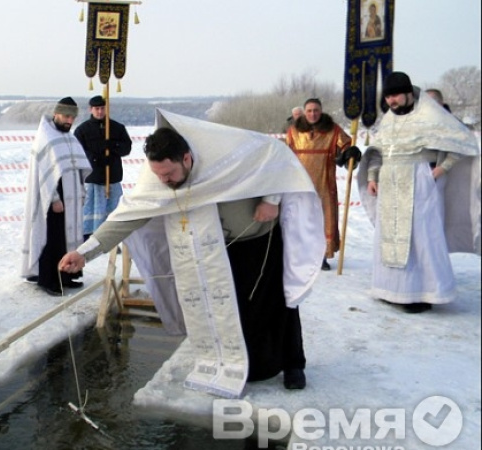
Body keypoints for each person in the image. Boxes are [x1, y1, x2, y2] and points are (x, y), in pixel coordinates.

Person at [59, 110, 325, 396]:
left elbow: (277, 155)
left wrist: (272, 199)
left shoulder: (226, 150)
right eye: (158, 175)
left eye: (170, 174)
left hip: (261, 237)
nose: (164, 181)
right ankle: (250, 365)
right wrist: (85, 253)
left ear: (186, 158)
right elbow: (127, 216)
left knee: (278, 300)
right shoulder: (158, 175)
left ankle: (294, 363)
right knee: (237, 309)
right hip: (219, 249)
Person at [357, 72, 480, 313]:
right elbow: (377, 152)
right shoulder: (388, 119)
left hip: (418, 182)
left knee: (420, 237)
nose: (391, 101)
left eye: (395, 95)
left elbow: (462, 142)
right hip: (390, 184)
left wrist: (442, 168)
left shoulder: (430, 114)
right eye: (388, 96)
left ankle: (422, 293)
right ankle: (390, 289)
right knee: (389, 236)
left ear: (408, 93)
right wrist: (372, 176)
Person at [21, 97, 92, 296]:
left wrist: (81, 191)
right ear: (56, 114)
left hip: (72, 197)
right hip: (53, 200)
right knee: (51, 238)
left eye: (72, 117)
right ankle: (47, 279)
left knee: (67, 238)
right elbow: (44, 174)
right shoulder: (46, 137)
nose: (69, 121)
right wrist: (54, 199)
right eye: (66, 116)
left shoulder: (69, 137)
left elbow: (78, 167)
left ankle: (66, 276)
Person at [286, 98, 360, 271]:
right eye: (310, 110)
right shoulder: (293, 132)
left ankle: (321, 256)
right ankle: (302, 255)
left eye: (316, 110)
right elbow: (286, 155)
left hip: (325, 184)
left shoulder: (332, 130)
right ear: (305, 112)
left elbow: (346, 146)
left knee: (323, 220)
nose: (313, 114)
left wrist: (350, 152)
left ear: (321, 111)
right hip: (300, 185)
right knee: (302, 220)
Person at [74, 95, 133, 241]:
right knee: (90, 210)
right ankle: (87, 236)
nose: (100, 112)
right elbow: (77, 152)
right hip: (92, 178)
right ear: (91, 109)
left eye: (102, 108)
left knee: (112, 210)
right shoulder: (82, 130)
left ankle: (110, 238)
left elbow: (126, 148)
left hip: (112, 177)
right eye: (96, 109)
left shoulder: (117, 128)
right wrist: (95, 158)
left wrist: (112, 146)